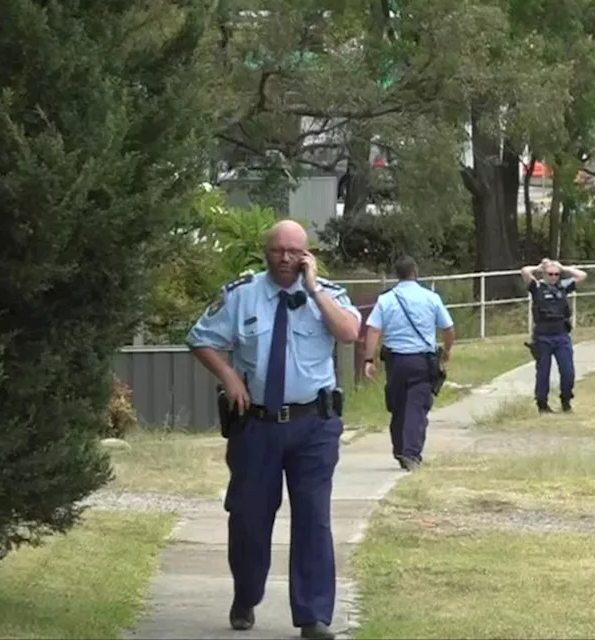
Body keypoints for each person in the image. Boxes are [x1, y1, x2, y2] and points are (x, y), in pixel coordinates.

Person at [186, 220, 362, 640]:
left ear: (307, 254)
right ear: (266, 252)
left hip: (314, 425)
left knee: (314, 519)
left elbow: (351, 333)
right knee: (248, 517)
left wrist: (315, 288)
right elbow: (199, 337)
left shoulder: (328, 295)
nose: (285, 258)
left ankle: (313, 615)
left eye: (293, 252)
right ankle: (246, 595)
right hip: (257, 426)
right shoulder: (242, 294)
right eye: (277, 250)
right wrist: (228, 375)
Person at [362, 256, 455, 471]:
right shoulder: (431, 298)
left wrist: (369, 359)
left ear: (397, 274)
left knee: (398, 406)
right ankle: (411, 453)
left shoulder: (386, 299)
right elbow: (448, 328)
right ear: (416, 272)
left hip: (395, 361)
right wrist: (447, 350)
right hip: (422, 360)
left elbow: (374, 330)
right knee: (417, 406)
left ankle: (399, 449)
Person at [521, 258, 588, 414]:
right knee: (543, 372)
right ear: (544, 274)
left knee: (568, 372)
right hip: (543, 336)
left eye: (556, 274)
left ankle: (566, 400)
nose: (553, 277)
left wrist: (564, 268)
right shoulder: (536, 287)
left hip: (561, 335)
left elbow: (582, 276)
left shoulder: (563, 287)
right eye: (550, 274)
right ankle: (542, 404)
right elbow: (525, 271)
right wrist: (539, 267)